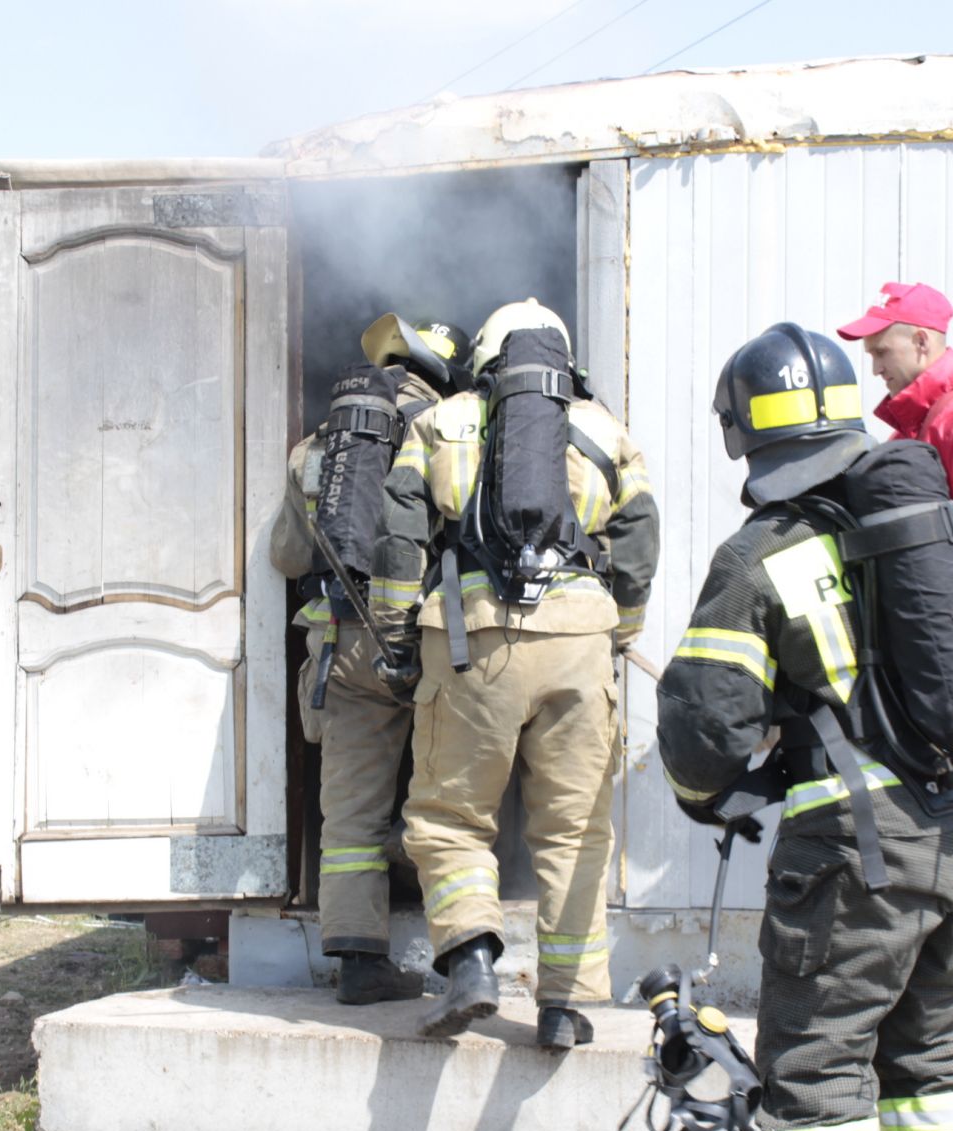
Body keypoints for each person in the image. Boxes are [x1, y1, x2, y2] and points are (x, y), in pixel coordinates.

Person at [657, 325, 953, 1131]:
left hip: (861, 855)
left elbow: (700, 727)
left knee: (820, 1074)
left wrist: (720, 795)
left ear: (744, 435)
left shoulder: (761, 554)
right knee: (933, 1069)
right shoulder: (946, 522)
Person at [377, 299, 660, 1049]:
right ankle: (565, 1006)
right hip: (579, 643)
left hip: (470, 643)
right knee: (574, 831)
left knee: (450, 818)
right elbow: (638, 545)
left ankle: (471, 963)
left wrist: (400, 638)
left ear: (484, 356)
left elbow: (400, 537)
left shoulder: (438, 423)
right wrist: (617, 634)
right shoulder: (607, 431)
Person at [837, 282, 953, 1042]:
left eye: (881, 349)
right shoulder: (920, 431)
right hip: (936, 669)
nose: (874, 365)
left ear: (922, 343)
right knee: (948, 831)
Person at [267, 315, 469, 1004]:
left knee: (350, 815)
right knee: (453, 807)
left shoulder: (317, 447)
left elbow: (287, 557)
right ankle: (464, 956)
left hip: (342, 648)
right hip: (436, 646)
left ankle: (359, 962)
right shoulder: (454, 432)